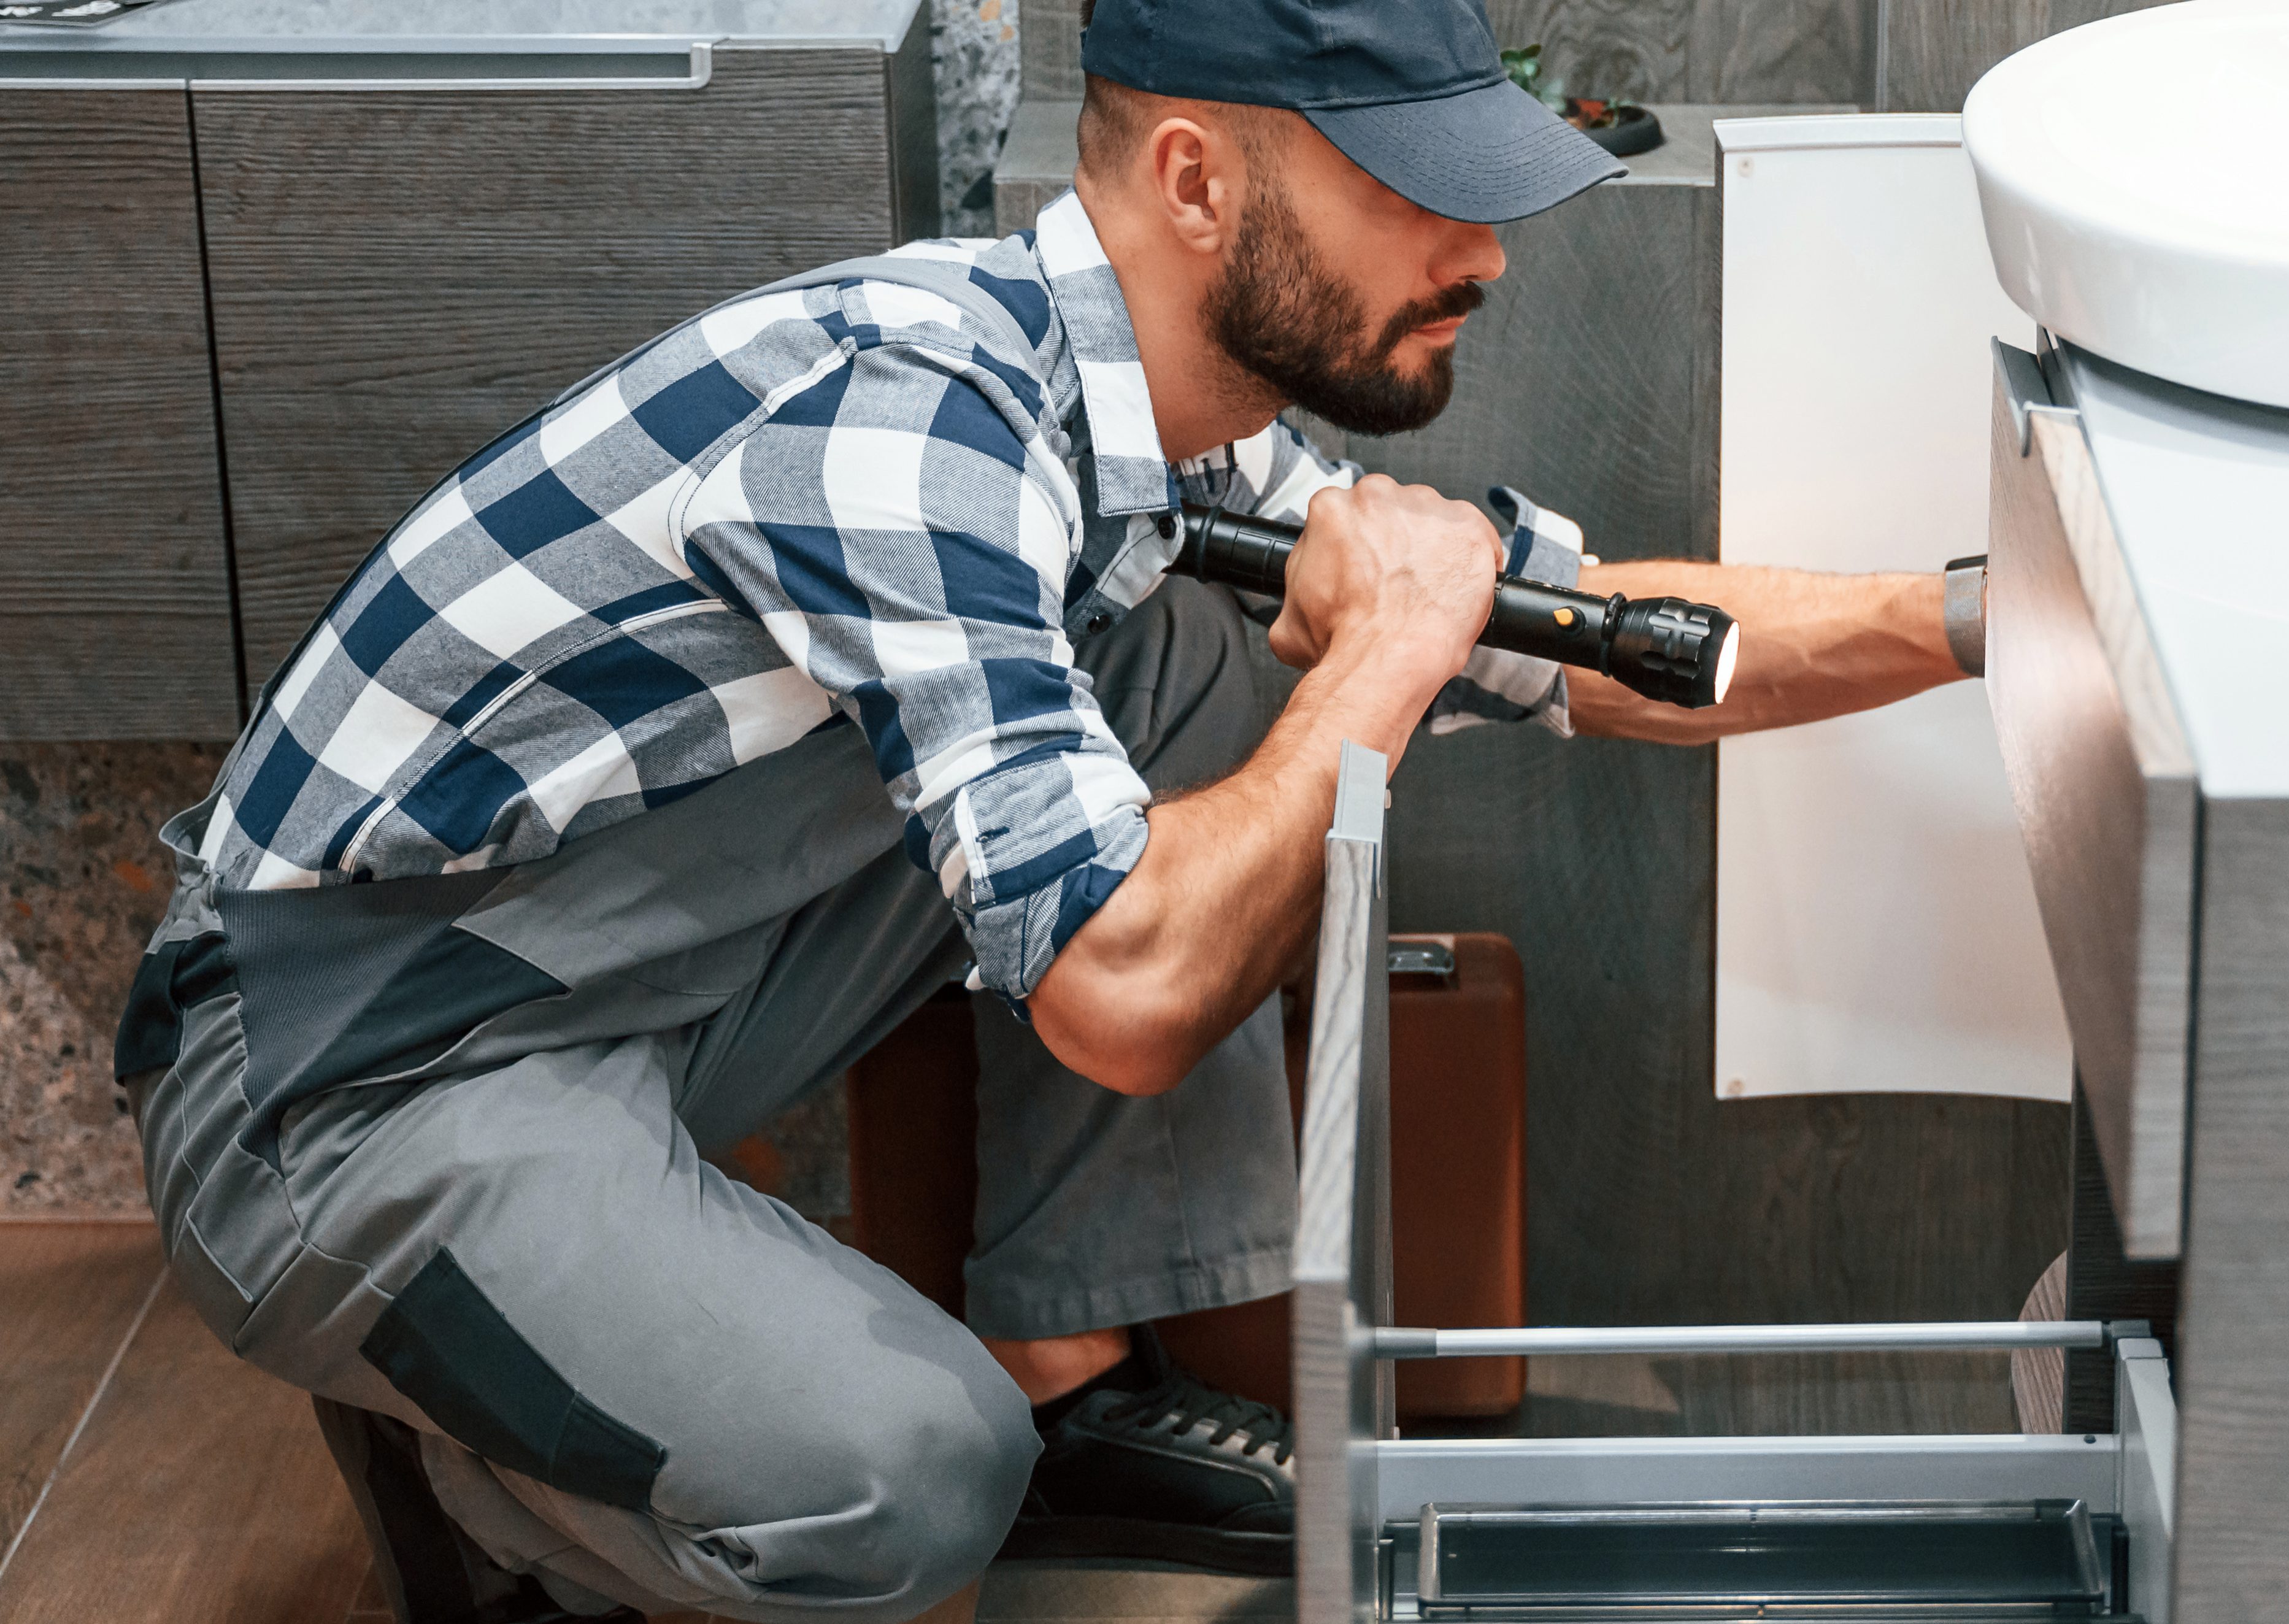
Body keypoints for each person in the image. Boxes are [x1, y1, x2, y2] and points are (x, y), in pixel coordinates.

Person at [110, 0, 1979, 1618]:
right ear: (1195, 183)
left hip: (630, 993)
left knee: (1190, 638)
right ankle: (474, 1485)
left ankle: (1073, 1350)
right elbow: (1127, 996)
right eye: (1420, 189)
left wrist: (1985, 619)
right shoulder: (911, 422)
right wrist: (1382, 665)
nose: (1484, 251)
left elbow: (1587, 641)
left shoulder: (1166, 424)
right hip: (341, 1072)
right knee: (911, 1480)